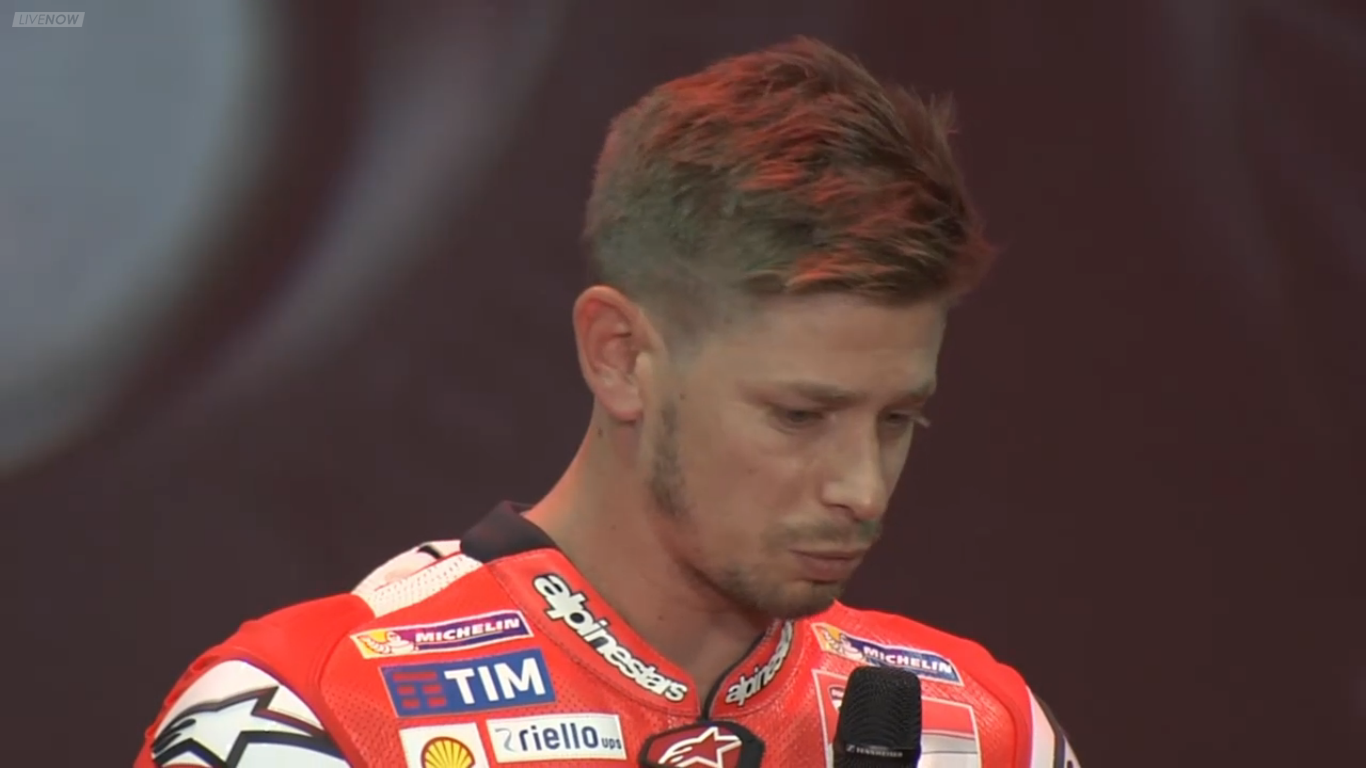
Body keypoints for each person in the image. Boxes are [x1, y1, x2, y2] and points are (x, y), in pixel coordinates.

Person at [136, 37, 1082, 768]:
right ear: (620, 356)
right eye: (799, 416)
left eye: (897, 420)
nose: (861, 489)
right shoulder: (308, 715)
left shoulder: (981, 726)